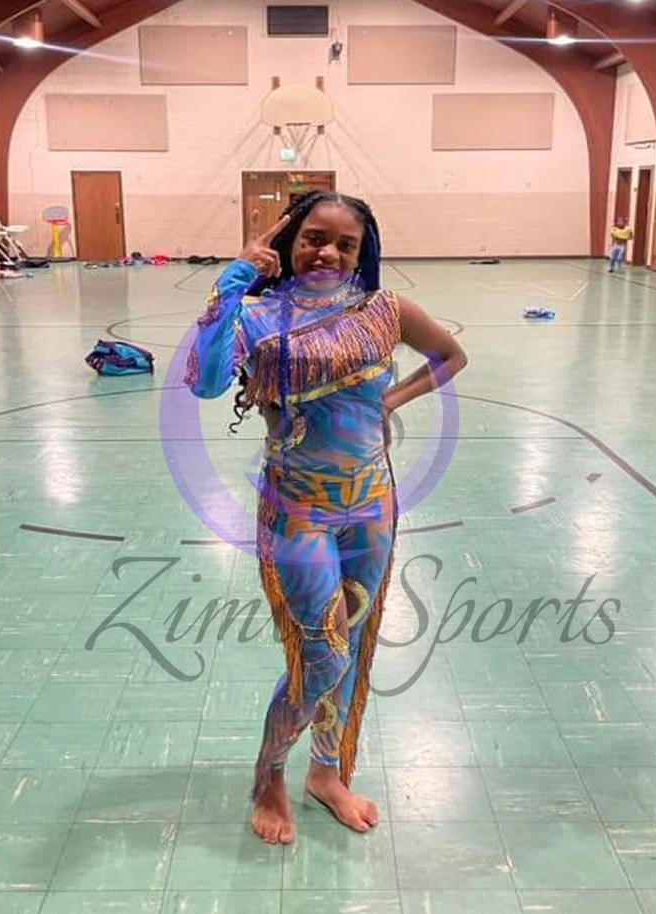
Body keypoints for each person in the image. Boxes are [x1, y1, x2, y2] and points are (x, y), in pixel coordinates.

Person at [185, 191, 468, 845]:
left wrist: (390, 401)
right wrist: (231, 281)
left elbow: (451, 356)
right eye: (315, 237)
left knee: (354, 649)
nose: (329, 252)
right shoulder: (256, 315)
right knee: (325, 656)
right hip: (298, 513)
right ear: (288, 242)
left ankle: (327, 772)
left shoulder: (385, 310)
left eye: (346, 243)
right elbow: (203, 383)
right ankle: (268, 773)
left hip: (373, 508)